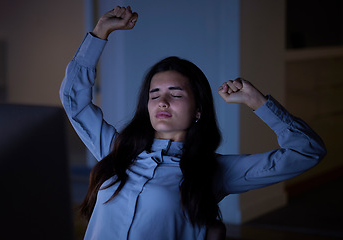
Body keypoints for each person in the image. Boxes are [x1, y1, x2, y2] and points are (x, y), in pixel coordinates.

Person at [60, 6, 326, 240]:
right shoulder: (117, 149)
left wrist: (258, 102)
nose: (162, 101)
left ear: (198, 110)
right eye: (154, 95)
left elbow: (306, 151)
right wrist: (99, 33)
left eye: (175, 94)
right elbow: (75, 101)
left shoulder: (214, 171)